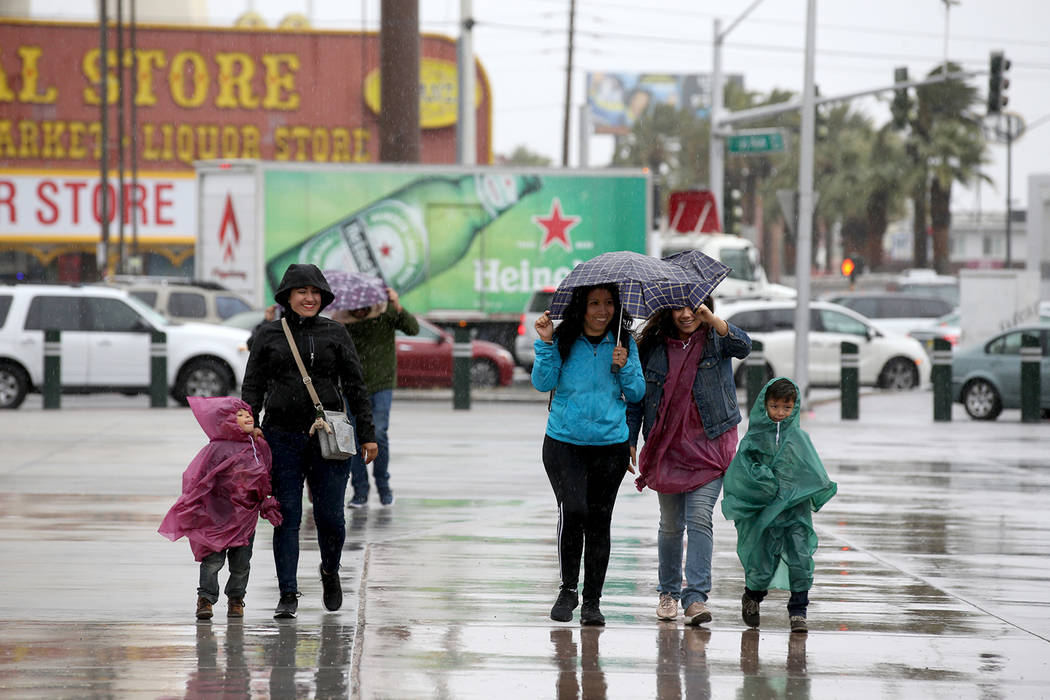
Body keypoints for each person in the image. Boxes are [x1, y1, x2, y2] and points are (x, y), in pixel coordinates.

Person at [241, 263, 379, 619]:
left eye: (315, 292)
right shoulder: (269, 335)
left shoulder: (336, 333)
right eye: (302, 291)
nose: (309, 298)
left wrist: (368, 434)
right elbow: (252, 386)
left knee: (331, 517)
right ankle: (288, 593)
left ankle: (330, 571)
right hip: (280, 437)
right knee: (286, 517)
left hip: (329, 437)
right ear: (287, 296)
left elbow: (355, 386)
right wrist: (249, 424)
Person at [627, 298, 752, 626]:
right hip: (666, 447)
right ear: (667, 312)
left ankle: (695, 598)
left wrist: (713, 320)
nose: (685, 314)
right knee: (671, 524)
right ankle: (668, 592)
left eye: (694, 307)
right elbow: (638, 398)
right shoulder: (653, 347)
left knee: (699, 519)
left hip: (710, 445)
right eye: (678, 308)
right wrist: (629, 439)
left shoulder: (715, 339)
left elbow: (744, 346)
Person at [531, 283, 645, 626]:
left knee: (599, 521)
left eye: (609, 303)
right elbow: (541, 381)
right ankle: (568, 590)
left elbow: (637, 391)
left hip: (609, 446)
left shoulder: (625, 343)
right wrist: (546, 343)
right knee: (574, 509)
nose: (602, 310)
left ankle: (593, 601)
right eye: (595, 302)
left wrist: (624, 365)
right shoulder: (564, 340)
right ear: (581, 306)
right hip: (564, 442)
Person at [721, 377, 838, 634]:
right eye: (775, 406)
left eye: (786, 407)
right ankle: (753, 595)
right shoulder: (755, 438)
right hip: (763, 512)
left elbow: (812, 469)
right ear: (765, 404)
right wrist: (764, 480)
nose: (780, 413)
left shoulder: (798, 437)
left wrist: (810, 486)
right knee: (761, 560)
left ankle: (798, 611)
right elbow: (742, 470)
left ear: (794, 407)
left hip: (794, 511)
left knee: (800, 556)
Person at [158, 396, 283, 620]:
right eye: (240, 415)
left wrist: (266, 499)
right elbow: (200, 479)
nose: (247, 417)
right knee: (213, 560)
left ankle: (236, 599)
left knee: (242, 562)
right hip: (217, 517)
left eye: (248, 414)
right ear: (227, 421)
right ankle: (205, 598)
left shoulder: (258, 446)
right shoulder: (216, 449)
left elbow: (265, 474)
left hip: (245, 517)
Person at [340, 287, 419, 508]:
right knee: (354, 440)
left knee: (379, 435)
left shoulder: (387, 313)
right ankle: (360, 491)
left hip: (382, 385)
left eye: (364, 306)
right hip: (352, 388)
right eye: (355, 307)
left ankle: (384, 487)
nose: (359, 310)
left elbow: (413, 329)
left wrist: (398, 305)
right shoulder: (342, 322)